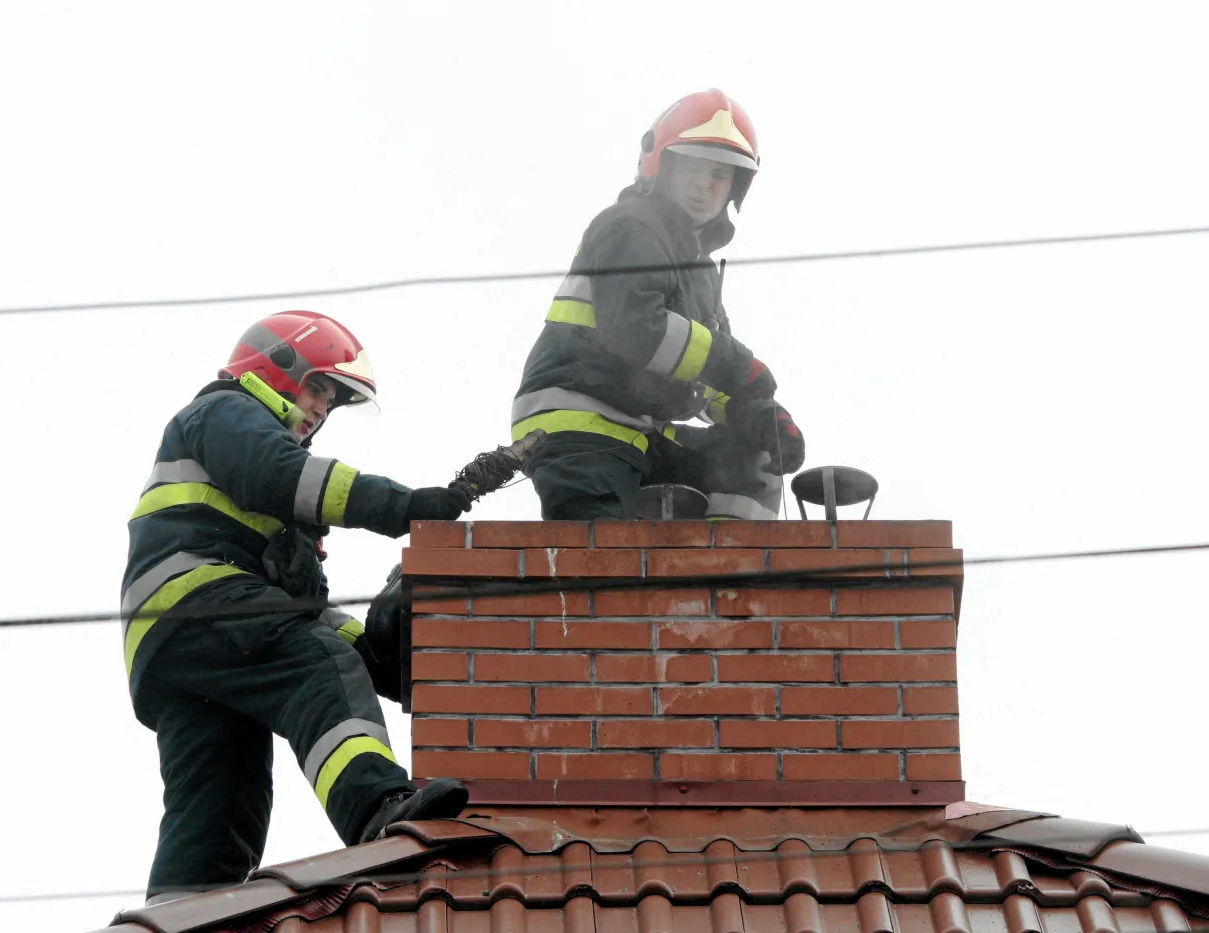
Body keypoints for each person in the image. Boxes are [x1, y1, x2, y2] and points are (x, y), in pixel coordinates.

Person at [120, 310, 472, 905]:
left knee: (224, 795)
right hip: (200, 603)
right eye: (316, 387)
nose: (320, 409)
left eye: (329, 401)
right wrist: (405, 507)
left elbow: (305, 611)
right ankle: (379, 809)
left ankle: (177, 917)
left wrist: (380, 643)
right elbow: (284, 476)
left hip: (178, 648)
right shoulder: (226, 411)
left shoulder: (271, 512)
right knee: (315, 665)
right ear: (274, 365)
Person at [512, 88, 805, 521]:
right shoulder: (630, 226)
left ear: (735, 189)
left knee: (753, 450)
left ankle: (734, 572)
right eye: (693, 167)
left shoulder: (701, 274)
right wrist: (740, 368)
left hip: (641, 432)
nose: (704, 186)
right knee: (603, 561)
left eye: (719, 177)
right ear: (660, 164)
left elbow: (700, 374)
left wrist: (757, 413)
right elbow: (637, 331)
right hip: (576, 428)